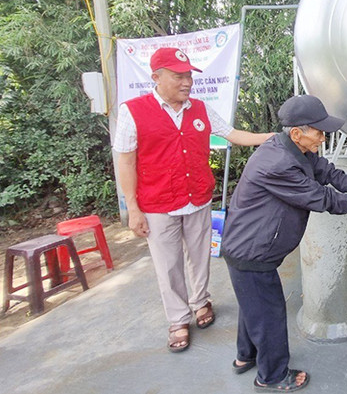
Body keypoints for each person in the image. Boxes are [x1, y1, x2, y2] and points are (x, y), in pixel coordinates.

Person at [221, 94, 347, 393]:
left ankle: (246, 356)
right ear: (297, 132)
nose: (323, 137)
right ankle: (271, 376)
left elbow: (330, 174)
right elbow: (323, 198)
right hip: (251, 249)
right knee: (269, 312)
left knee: (254, 305)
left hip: (253, 246)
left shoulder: (293, 149)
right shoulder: (278, 163)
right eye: (319, 132)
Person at [114, 47, 274, 353]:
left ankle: (201, 301)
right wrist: (133, 208)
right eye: (178, 76)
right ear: (156, 77)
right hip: (158, 204)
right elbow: (126, 162)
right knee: (168, 264)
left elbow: (232, 134)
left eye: (189, 75)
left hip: (197, 198)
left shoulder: (199, 108)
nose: (187, 82)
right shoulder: (132, 111)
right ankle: (178, 319)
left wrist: (269, 138)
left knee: (200, 256)